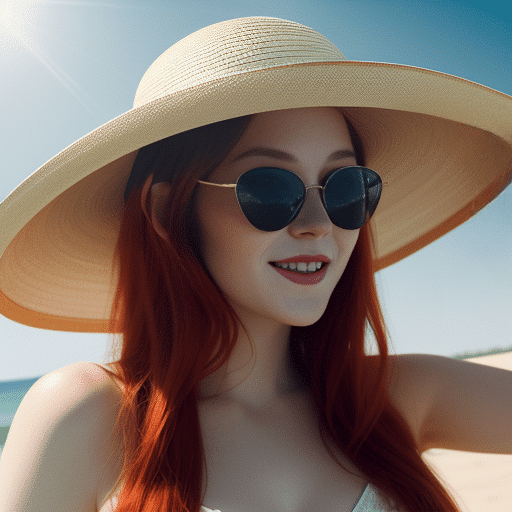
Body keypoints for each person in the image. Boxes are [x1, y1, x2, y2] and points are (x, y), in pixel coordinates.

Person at [0, 16, 511, 512]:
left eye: (345, 187)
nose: (317, 224)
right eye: (269, 187)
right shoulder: (87, 418)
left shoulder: (395, 400)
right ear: (166, 211)